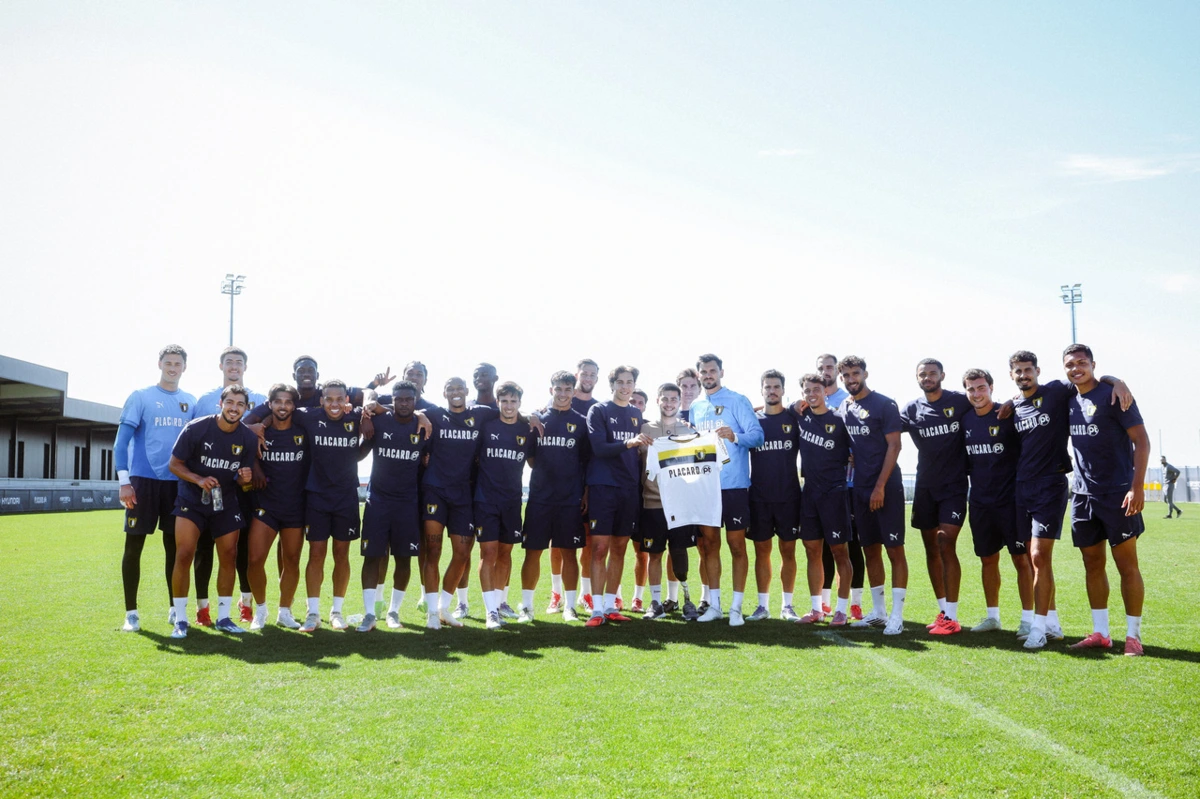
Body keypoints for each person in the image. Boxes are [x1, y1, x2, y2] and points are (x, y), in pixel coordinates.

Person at [1009, 349, 1132, 650]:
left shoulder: (1055, 391)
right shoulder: (1013, 407)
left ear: (1037, 370)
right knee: (1029, 556)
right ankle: (1051, 622)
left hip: (1052, 484)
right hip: (1022, 487)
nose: (1023, 375)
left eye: (1028, 369)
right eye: (1018, 371)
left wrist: (1118, 381)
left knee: (1039, 555)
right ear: (1011, 375)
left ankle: (1038, 628)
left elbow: (1085, 377)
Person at [250, 380, 373, 633]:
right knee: (316, 554)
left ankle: (336, 611)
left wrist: (371, 413)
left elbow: (382, 410)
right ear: (321, 400)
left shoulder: (358, 416)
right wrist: (260, 424)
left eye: (340, 399)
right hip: (316, 496)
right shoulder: (307, 416)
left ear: (347, 401)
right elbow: (274, 410)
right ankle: (313, 612)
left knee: (341, 555)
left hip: (346, 496)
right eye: (329, 399)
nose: (335, 404)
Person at [1062, 345, 1150, 656]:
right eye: (1070, 364)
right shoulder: (1068, 398)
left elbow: (1142, 441)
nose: (1076, 368)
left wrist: (1136, 487)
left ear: (1093, 364)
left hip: (1118, 493)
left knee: (1127, 565)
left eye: (1082, 363)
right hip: (1083, 496)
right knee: (1092, 563)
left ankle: (1133, 636)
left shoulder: (1114, 395)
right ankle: (1100, 632)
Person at [166, 386, 260, 638]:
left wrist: (244, 479)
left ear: (246, 408)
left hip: (225, 502)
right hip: (192, 500)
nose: (234, 408)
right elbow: (174, 464)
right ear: (220, 403)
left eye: (240, 404)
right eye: (230, 402)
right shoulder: (197, 428)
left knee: (228, 555)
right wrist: (198, 479)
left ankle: (224, 617)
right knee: (184, 554)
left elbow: (244, 483)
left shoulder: (248, 439)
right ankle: (181, 619)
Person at [117, 345, 196, 632]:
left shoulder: (190, 401)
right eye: (168, 362)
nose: (172, 368)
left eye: (178, 363)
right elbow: (120, 442)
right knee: (133, 546)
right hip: (142, 482)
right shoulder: (141, 397)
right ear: (159, 364)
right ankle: (131, 613)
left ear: (184, 368)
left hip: (177, 485)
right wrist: (124, 482)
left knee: (174, 549)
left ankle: (175, 608)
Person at [190, 346, 268, 627]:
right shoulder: (204, 400)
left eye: (239, 363)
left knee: (240, 548)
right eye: (229, 362)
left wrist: (258, 424)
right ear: (221, 366)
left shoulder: (258, 398)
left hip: (242, 488)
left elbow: (275, 415)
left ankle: (245, 604)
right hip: (206, 488)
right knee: (204, 549)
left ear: (245, 368)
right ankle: (202, 607)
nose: (234, 366)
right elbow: (193, 439)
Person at [689, 353, 765, 626]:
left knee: (736, 546)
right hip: (706, 488)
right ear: (698, 375)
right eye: (704, 372)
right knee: (709, 545)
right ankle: (715, 605)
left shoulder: (737, 400)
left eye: (712, 370)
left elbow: (758, 436)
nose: (708, 375)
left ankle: (736, 607)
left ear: (721, 372)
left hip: (734, 487)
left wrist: (735, 435)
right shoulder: (696, 406)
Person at [960, 369, 1034, 637]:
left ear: (991, 387)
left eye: (981, 388)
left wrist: (1014, 400)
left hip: (1011, 501)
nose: (976, 394)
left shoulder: (1007, 414)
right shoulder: (965, 420)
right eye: (971, 389)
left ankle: (1028, 620)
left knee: (1021, 560)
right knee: (987, 560)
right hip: (979, 502)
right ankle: (993, 617)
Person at [900, 358, 972, 633]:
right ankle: (943, 611)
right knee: (931, 547)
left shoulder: (961, 401)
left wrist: (1115, 381)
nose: (928, 377)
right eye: (923, 374)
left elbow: (990, 404)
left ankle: (952, 617)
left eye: (932, 373)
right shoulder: (911, 409)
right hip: (925, 487)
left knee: (945, 542)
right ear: (917, 378)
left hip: (954, 486)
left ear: (942, 375)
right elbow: (884, 429)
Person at [837, 356, 908, 636]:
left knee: (894, 550)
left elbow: (895, 446)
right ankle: (878, 612)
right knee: (870, 549)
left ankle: (897, 616)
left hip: (886, 487)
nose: (851, 378)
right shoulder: (845, 406)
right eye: (847, 375)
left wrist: (880, 486)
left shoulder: (885, 404)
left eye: (856, 373)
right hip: (860, 489)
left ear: (865, 374)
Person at [356, 381, 429, 632]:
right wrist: (363, 422)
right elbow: (358, 454)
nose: (404, 403)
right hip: (377, 502)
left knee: (404, 559)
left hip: (407, 503)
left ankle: (394, 612)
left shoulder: (423, 426)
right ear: (393, 400)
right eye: (399, 399)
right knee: (372, 557)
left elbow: (431, 458)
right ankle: (369, 614)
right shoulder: (380, 422)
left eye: (409, 399)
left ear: (416, 399)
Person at [584, 365, 653, 626]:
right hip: (603, 488)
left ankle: (612, 605)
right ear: (611, 384)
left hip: (629, 490)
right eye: (621, 382)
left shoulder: (636, 413)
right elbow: (599, 448)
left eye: (630, 382)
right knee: (600, 548)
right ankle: (597, 609)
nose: (625, 386)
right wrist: (630, 443)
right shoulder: (599, 410)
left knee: (620, 548)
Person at [521, 371, 590, 623]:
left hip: (569, 499)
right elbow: (530, 458)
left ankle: (570, 607)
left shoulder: (581, 422)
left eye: (567, 389)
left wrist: (583, 491)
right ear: (551, 390)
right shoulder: (538, 420)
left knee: (569, 552)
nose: (562, 393)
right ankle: (527, 607)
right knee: (533, 552)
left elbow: (585, 460)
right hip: (540, 498)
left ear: (573, 391)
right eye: (558, 389)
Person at [245, 383, 308, 630]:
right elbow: (242, 448)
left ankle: (285, 611)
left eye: (288, 402)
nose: (283, 406)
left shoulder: (304, 431)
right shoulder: (257, 431)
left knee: (292, 561)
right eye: (278, 401)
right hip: (266, 505)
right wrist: (256, 465)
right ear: (269, 404)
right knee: (255, 560)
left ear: (294, 405)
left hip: (295, 506)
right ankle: (260, 610)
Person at [793, 373, 854, 625]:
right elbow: (772, 407)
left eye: (816, 389)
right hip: (810, 493)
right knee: (811, 550)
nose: (812, 394)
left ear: (826, 390)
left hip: (835, 493)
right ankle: (817, 609)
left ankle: (841, 609)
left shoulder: (840, 420)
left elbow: (858, 448)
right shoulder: (800, 415)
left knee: (840, 551)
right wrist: (793, 405)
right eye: (807, 390)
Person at [475, 382, 535, 628]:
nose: (509, 406)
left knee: (506, 553)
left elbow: (534, 463)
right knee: (488, 553)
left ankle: (500, 603)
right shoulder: (487, 426)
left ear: (519, 403)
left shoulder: (527, 429)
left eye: (513, 401)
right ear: (498, 402)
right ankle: (490, 612)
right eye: (505, 401)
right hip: (485, 500)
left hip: (512, 501)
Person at [638, 383, 699, 620]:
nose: (669, 403)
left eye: (674, 399)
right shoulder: (646, 429)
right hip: (652, 502)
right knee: (654, 554)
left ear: (679, 401)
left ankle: (684, 599)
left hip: (680, 504)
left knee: (679, 551)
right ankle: (654, 602)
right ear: (658, 400)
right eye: (665, 399)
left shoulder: (687, 432)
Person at [747, 370, 803, 621]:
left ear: (783, 390)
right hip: (759, 497)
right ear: (762, 390)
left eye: (776, 387)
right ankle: (762, 606)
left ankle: (787, 606)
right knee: (762, 552)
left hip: (789, 496)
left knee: (788, 551)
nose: (772, 390)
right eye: (767, 387)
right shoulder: (752, 421)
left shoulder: (794, 418)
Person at [815, 353, 862, 618]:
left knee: (851, 545)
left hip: (850, 483)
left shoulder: (848, 400)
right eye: (821, 367)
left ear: (837, 372)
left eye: (829, 367)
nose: (825, 371)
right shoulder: (810, 400)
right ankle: (824, 601)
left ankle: (855, 601)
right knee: (823, 546)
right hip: (822, 485)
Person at [556, 359, 599, 613]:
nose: (588, 378)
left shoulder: (598, 408)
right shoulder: (559, 404)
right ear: (576, 376)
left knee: (588, 542)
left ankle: (585, 593)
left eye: (593, 374)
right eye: (585, 373)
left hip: (585, 485)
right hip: (556, 489)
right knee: (558, 544)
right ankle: (556, 593)